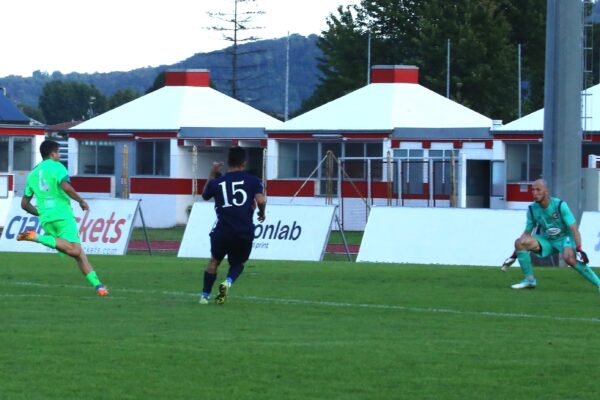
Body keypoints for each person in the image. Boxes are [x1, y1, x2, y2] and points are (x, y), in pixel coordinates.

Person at [16, 140, 109, 297]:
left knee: (79, 253)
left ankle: (98, 286)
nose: (59, 155)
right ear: (52, 154)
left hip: (46, 219)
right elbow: (66, 187)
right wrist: (81, 201)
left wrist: (39, 213)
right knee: (75, 250)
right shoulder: (57, 167)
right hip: (62, 215)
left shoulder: (33, 174)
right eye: (58, 152)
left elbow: (24, 204)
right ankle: (33, 236)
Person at [501, 179, 600, 291]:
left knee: (570, 259)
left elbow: (574, 229)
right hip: (548, 240)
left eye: (538, 190)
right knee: (520, 242)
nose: (534, 193)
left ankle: (598, 283)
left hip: (565, 238)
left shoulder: (559, 205)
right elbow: (526, 234)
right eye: (533, 190)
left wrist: (579, 249)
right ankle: (529, 280)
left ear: (546, 191)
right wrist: (514, 255)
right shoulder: (532, 209)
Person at [199, 146, 266, 305]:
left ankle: (204, 296)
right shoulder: (253, 180)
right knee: (238, 263)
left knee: (214, 261)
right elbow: (261, 200)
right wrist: (261, 213)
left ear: (228, 162)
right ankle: (227, 282)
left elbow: (204, 195)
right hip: (243, 230)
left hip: (222, 230)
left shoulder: (218, 182)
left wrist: (212, 172)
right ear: (244, 162)